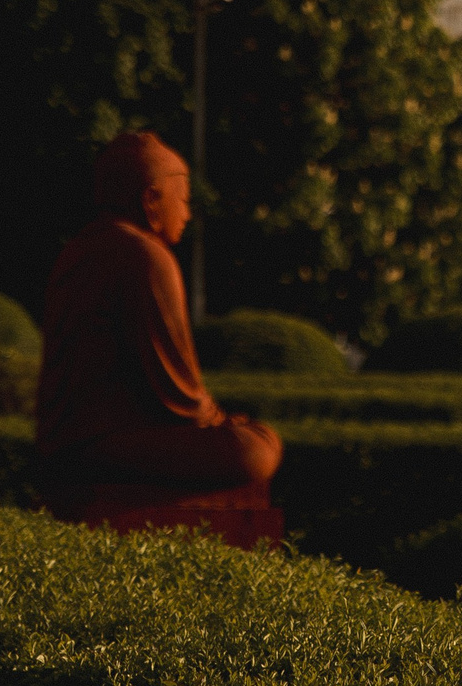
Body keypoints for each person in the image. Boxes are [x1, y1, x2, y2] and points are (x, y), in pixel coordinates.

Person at [35, 132, 281, 492]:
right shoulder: (145, 256)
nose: (187, 214)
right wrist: (220, 423)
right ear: (151, 200)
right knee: (255, 448)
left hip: (64, 446)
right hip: (103, 449)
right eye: (183, 200)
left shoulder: (78, 249)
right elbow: (178, 395)